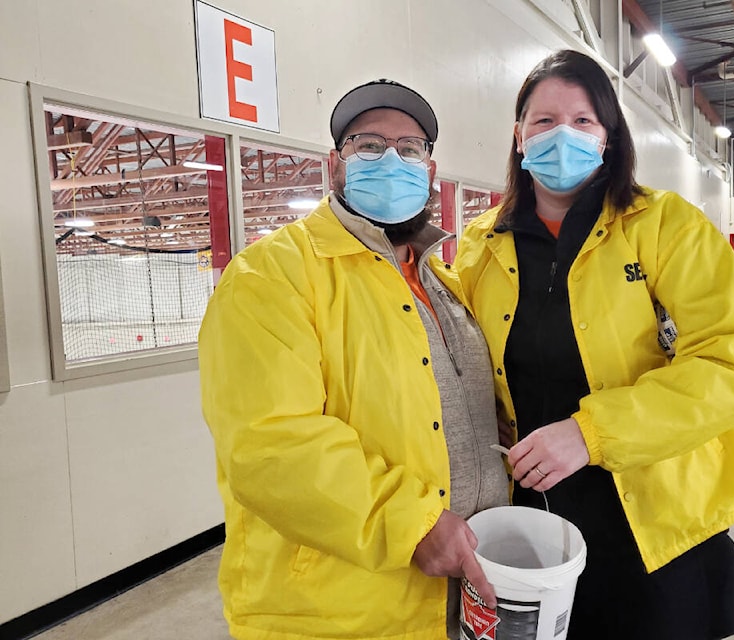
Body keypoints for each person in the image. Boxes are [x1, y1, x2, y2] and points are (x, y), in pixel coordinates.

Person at [454, 49, 734, 640]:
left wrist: (591, 433)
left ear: (608, 137)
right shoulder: (480, 245)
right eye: (544, 121)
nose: (562, 135)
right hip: (533, 516)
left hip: (657, 516)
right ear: (518, 135)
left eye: (583, 121)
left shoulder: (663, 226)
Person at [198, 79, 509, 640]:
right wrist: (410, 525)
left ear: (430, 172)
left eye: (410, 148)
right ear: (335, 165)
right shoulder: (271, 276)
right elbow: (271, 443)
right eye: (368, 145)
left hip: (453, 597)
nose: (392, 158)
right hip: (338, 610)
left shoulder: (441, 281)